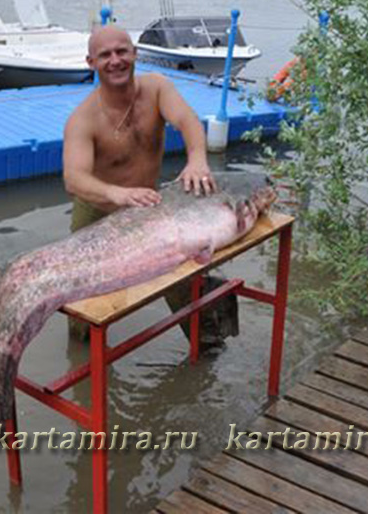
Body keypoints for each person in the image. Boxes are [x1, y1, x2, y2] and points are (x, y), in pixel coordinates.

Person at [62, 25, 237, 344]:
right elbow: (74, 179)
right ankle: (83, 359)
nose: (115, 60)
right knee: (83, 300)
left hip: (150, 208)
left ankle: (206, 346)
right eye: (105, 55)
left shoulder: (157, 88)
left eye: (122, 51)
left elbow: (188, 121)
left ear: (135, 53)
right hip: (98, 211)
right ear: (91, 63)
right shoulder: (83, 119)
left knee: (184, 273)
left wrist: (197, 159)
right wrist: (118, 193)